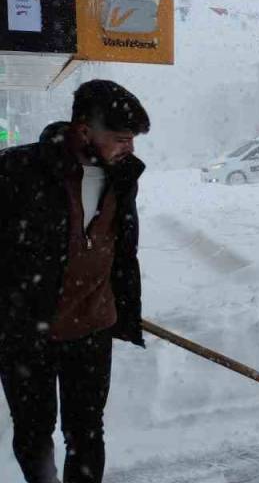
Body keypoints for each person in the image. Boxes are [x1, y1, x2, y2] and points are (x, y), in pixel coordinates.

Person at [0, 80, 150, 483]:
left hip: (91, 330)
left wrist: (121, 304)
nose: (129, 149)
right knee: (33, 431)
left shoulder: (122, 177)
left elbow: (120, 249)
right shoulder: (16, 170)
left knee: (86, 433)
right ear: (84, 130)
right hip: (27, 333)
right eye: (121, 139)